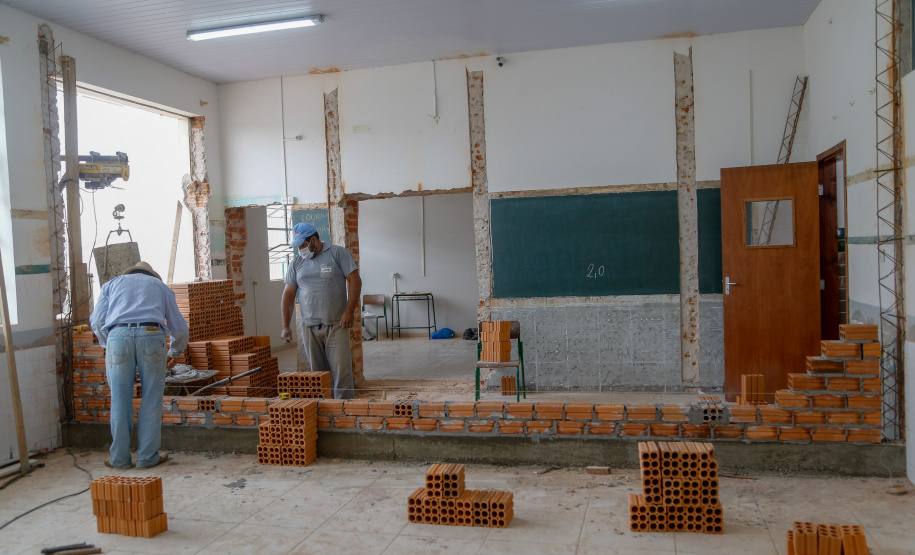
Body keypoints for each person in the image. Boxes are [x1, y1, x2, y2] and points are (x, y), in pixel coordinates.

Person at [89, 261, 188, 469]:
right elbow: (180, 328)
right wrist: (174, 352)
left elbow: (97, 321)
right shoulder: (161, 288)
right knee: (151, 398)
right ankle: (146, 457)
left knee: (119, 399)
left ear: (130, 272)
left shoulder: (111, 285)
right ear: (152, 275)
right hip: (151, 336)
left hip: (117, 337)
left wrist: (109, 343)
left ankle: (119, 459)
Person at [281, 222, 362, 399]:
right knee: (318, 375)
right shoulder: (297, 262)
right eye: (297, 247)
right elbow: (288, 293)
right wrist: (285, 326)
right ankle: (325, 408)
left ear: (314, 240)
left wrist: (349, 311)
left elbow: (355, 281)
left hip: (336, 324)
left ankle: (344, 410)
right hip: (309, 326)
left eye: (303, 245)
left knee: (342, 371)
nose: (300, 250)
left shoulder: (337, 253)